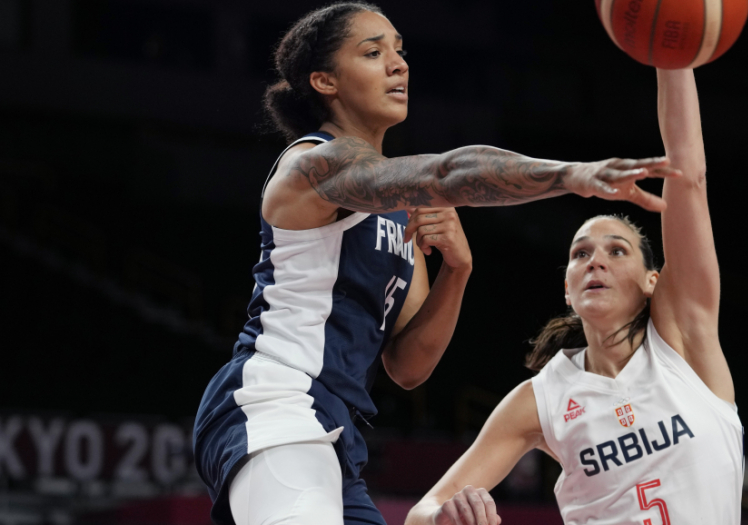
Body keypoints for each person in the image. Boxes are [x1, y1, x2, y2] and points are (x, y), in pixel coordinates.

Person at [191, 3, 677, 525]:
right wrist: (569, 175)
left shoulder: (400, 209)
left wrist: (457, 269)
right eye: (373, 52)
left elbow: (408, 367)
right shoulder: (312, 164)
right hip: (275, 401)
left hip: (334, 431)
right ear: (324, 81)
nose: (398, 64)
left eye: (399, 51)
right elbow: (447, 173)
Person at [405, 68, 743, 525]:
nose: (595, 261)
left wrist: (673, 61)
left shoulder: (686, 345)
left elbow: (688, 175)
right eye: (580, 253)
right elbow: (421, 512)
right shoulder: (544, 398)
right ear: (568, 288)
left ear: (652, 281)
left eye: (617, 251)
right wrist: (444, 517)